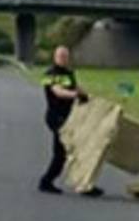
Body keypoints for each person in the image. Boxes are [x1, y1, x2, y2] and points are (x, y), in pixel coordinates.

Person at [38, 46, 103, 197]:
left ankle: (78, 183)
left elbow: (77, 87)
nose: (63, 59)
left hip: (68, 116)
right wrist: (74, 95)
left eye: (65, 56)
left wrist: (87, 95)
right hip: (55, 117)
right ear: (55, 57)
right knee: (68, 151)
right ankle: (79, 184)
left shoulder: (69, 73)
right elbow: (58, 91)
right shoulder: (49, 74)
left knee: (68, 152)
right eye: (60, 56)